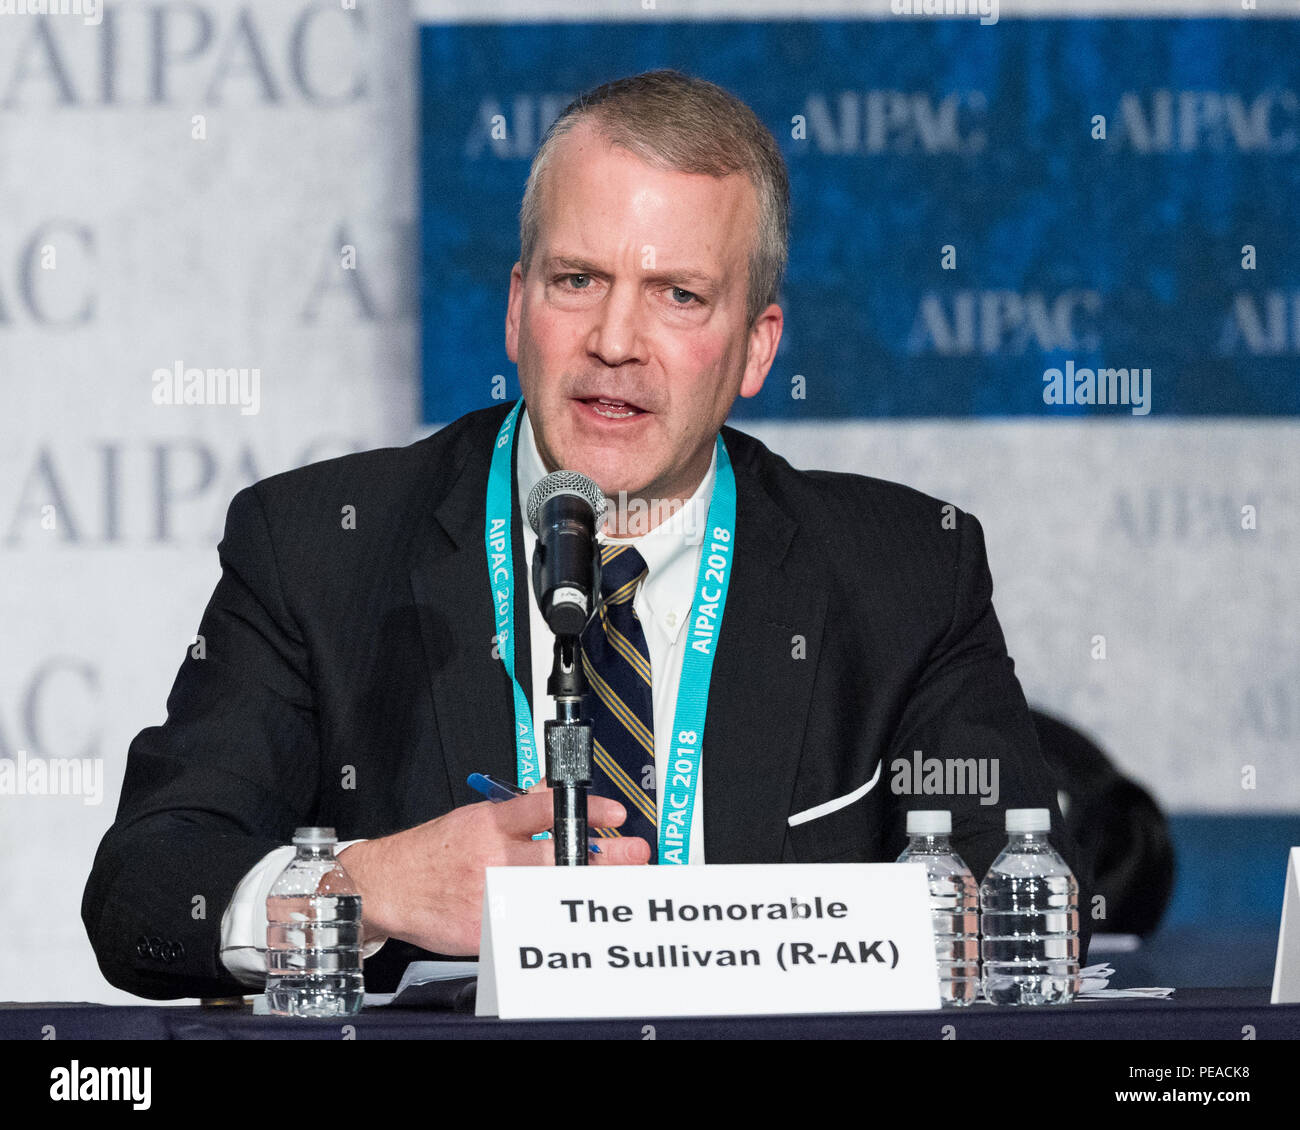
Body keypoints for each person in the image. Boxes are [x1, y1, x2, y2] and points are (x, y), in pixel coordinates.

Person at [83, 70, 1090, 999]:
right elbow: (143, 886)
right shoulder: (319, 550)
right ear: (518, 307)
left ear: (755, 347)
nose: (615, 341)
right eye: (577, 281)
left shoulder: (903, 571)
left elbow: (1026, 910)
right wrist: (363, 884)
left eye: (679, 296)